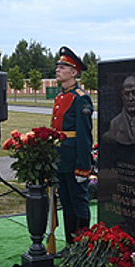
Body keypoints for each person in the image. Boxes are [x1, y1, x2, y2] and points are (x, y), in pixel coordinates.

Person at [50, 46, 93, 254]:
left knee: (79, 203)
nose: (58, 69)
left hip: (75, 160)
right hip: (61, 159)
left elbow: (84, 136)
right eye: (58, 65)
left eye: (63, 66)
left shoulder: (80, 98)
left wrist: (84, 167)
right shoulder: (60, 98)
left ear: (74, 72)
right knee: (66, 203)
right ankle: (69, 245)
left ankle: (82, 248)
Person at [107, 75, 135, 145]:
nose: (130, 98)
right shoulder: (114, 124)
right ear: (122, 96)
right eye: (126, 94)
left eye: (134, 93)